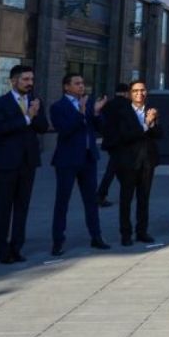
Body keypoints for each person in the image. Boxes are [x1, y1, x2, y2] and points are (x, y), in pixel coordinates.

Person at [0, 65, 49, 264]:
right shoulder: (0, 103)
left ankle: (17, 246)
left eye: (31, 79)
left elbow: (43, 127)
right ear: (13, 81)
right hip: (7, 162)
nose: (29, 83)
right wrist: (27, 117)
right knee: (4, 207)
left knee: (22, 206)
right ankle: (3, 249)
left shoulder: (35, 101)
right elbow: (0, 128)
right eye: (25, 79)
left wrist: (36, 114)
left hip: (28, 162)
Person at [48, 73, 110, 257]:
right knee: (62, 201)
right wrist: (80, 113)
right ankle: (58, 241)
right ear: (66, 87)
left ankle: (96, 237)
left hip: (88, 159)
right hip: (67, 160)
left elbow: (100, 128)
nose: (81, 86)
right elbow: (64, 130)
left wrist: (97, 113)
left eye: (83, 83)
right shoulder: (58, 107)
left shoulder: (89, 104)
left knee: (91, 201)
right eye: (77, 83)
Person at [102, 79, 162, 246]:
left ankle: (142, 231)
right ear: (130, 93)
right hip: (128, 162)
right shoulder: (123, 111)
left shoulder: (151, 111)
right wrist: (146, 125)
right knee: (126, 199)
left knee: (144, 199)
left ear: (146, 92)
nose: (139, 93)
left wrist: (153, 123)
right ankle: (126, 234)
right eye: (135, 91)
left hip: (147, 162)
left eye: (142, 90)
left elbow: (159, 134)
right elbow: (125, 135)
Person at [96, 82, 130, 208]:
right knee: (113, 168)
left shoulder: (108, 104)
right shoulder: (127, 105)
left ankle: (127, 191)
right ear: (126, 93)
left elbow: (102, 122)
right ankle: (100, 194)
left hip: (110, 141)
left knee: (116, 167)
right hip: (122, 142)